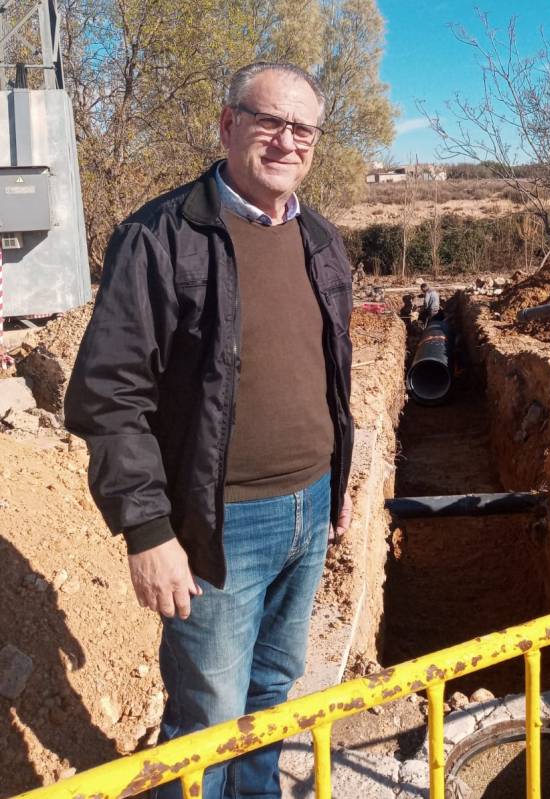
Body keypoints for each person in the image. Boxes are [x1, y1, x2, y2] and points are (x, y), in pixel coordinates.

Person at [64, 62, 354, 798]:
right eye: (271, 122)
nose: (288, 141)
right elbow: (108, 395)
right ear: (228, 126)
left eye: (304, 129)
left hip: (309, 509)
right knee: (208, 716)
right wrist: (148, 529)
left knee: (270, 695)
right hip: (218, 527)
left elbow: (334, 374)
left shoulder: (320, 239)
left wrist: (338, 482)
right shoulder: (161, 237)